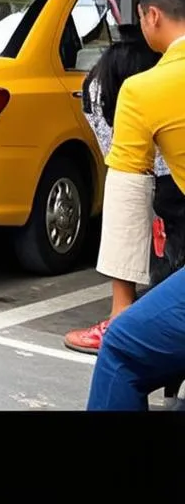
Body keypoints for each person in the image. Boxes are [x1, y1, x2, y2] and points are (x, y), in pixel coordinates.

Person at [86, 0, 185, 410]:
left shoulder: (145, 90)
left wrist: (121, 306)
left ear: (153, 17)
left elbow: (127, 199)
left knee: (123, 351)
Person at [64, 26, 165, 353]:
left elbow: (110, 148)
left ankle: (121, 318)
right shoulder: (161, 81)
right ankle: (124, 320)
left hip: (137, 175)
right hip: (157, 179)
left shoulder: (95, 83)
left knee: (124, 179)